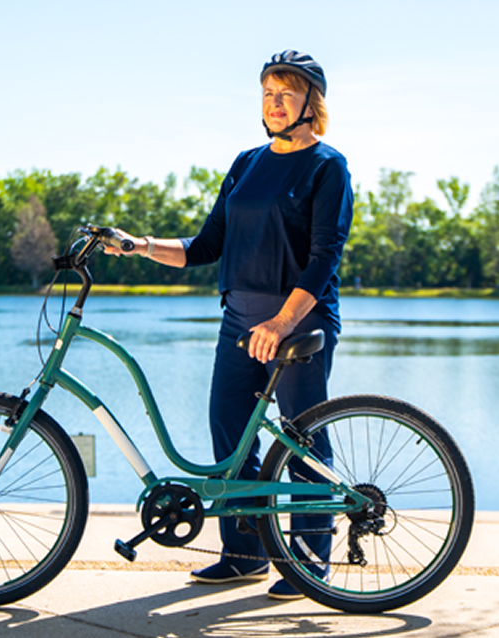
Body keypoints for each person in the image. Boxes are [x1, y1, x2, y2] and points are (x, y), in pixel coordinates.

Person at [101, 50, 353, 601]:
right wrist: (139, 245)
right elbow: (206, 246)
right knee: (230, 439)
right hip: (238, 318)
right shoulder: (245, 163)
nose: (275, 102)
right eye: (268, 92)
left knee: (301, 441)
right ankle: (243, 556)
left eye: (287, 92)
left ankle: (310, 564)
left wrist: (284, 321)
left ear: (312, 102)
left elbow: (323, 258)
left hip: (298, 321)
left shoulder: (328, 168)